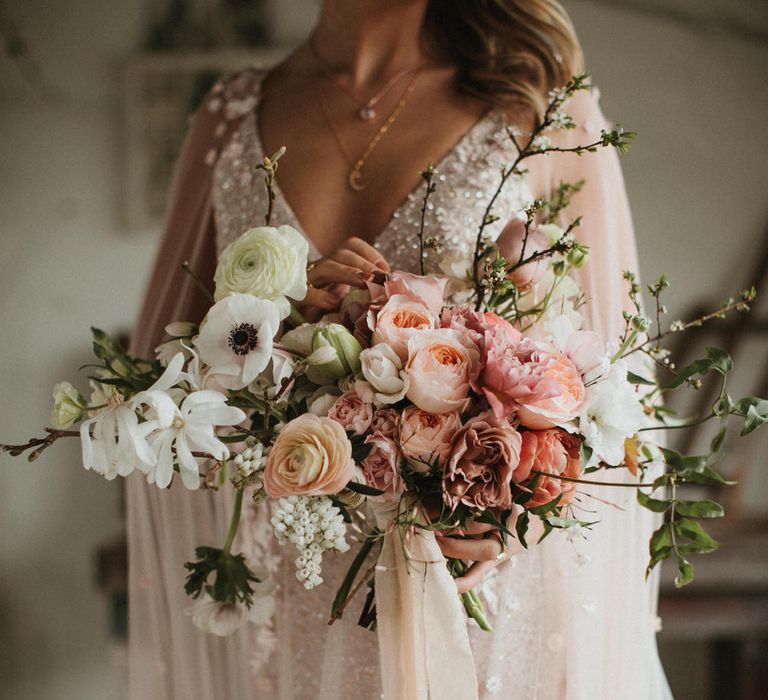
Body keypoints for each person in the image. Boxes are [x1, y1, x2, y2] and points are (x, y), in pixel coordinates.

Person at [127, 1, 672, 697]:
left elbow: (614, 394)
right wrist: (281, 333)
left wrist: (518, 515)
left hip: (483, 601)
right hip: (298, 599)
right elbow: (157, 392)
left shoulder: (536, 105)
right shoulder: (231, 114)